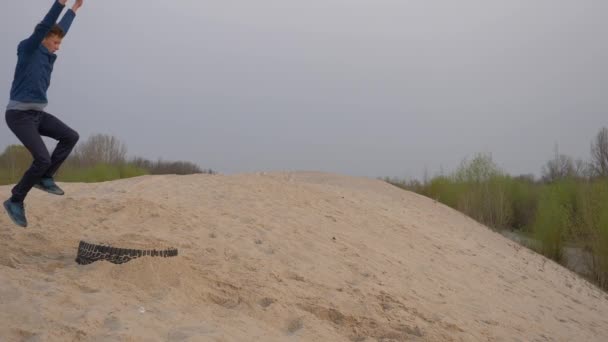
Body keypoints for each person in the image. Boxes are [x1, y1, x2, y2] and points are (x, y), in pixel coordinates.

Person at [4, 0, 84, 227]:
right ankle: (15, 200)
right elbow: (46, 25)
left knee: (70, 136)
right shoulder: (28, 49)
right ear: (44, 38)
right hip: (19, 116)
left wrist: (75, 9)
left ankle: (45, 177)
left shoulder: (48, 52)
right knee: (42, 158)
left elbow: (61, 28)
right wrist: (59, 4)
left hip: (37, 115)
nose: (58, 46)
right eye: (56, 42)